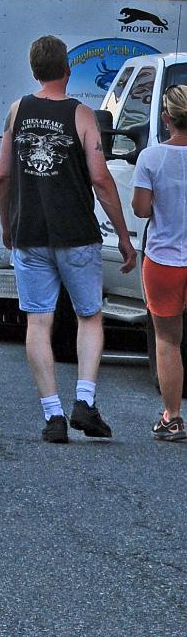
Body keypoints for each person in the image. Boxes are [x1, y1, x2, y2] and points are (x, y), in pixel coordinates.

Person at [0, 34, 137, 442]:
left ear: (33, 69)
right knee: (89, 315)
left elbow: (2, 176)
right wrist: (124, 238)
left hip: (30, 233)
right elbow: (101, 180)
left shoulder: (17, 110)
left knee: (39, 321)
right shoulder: (82, 114)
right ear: (67, 69)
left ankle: (52, 415)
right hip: (76, 233)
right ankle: (85, 402)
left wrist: (8, 225)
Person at [133, 84, 187, 441]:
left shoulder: (151, 158)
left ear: (166, 118)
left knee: (168, 341)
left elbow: (141, 209)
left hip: (165, 260)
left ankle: (173, 417)